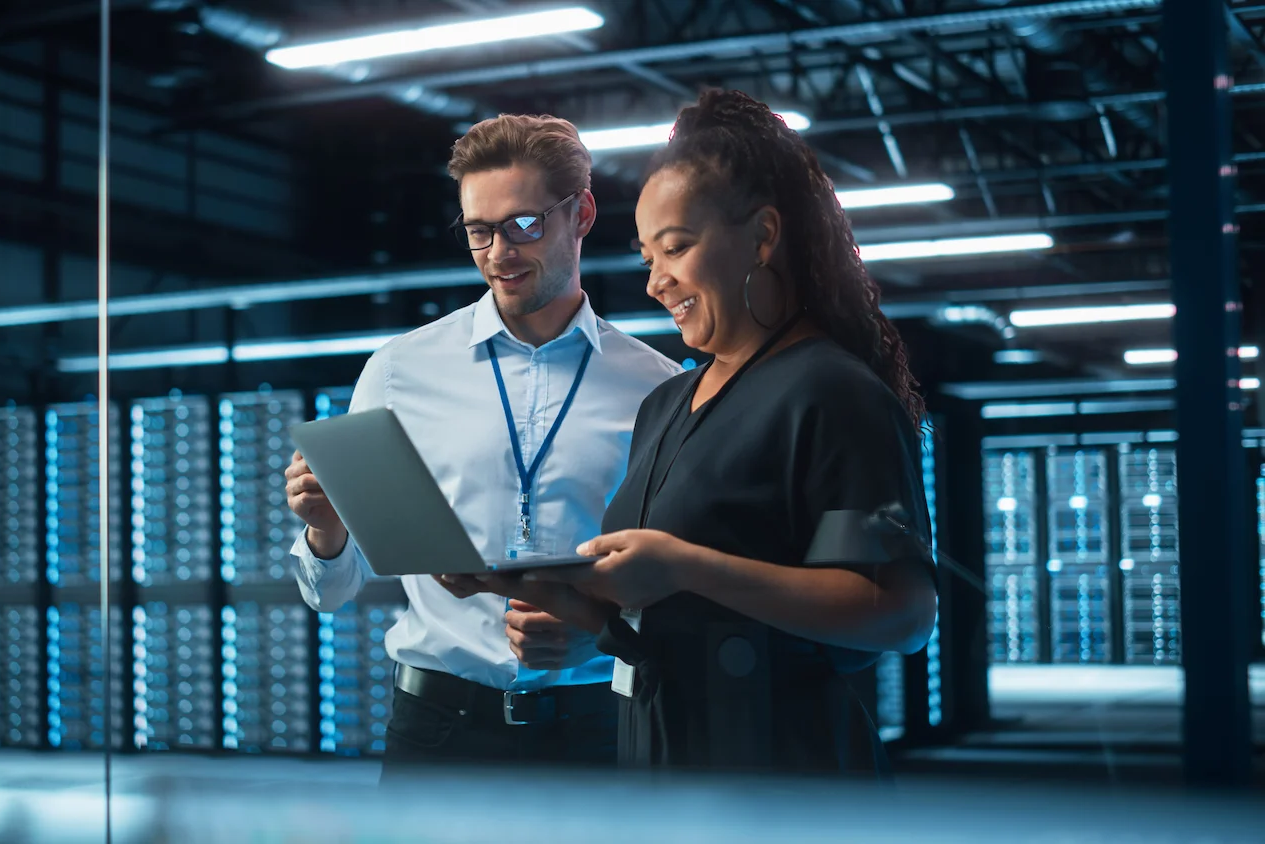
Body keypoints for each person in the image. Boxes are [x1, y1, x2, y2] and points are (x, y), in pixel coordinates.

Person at [456, 89, 939, 776]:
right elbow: (671, 620)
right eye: (649, 255)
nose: (656, 282)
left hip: (783, 781)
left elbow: (899, 614)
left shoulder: (831, 393)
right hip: (663, 769)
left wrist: (685, 564)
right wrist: (580, 614)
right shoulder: (667, 402)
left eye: (676, 248)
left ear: (763, 236)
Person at [283, 114, 682, 777]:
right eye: (478, 231)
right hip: (436, 733)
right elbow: (330, 592)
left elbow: (677, 587)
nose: (499, 252)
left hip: (598, 734)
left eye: (524, 225)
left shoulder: (658, 388)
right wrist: (327, 533)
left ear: (580, 214)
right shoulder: (399, 371)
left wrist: (596, 630)